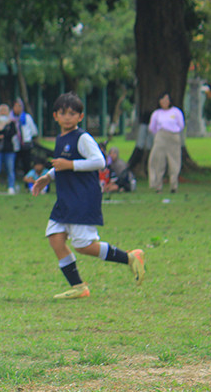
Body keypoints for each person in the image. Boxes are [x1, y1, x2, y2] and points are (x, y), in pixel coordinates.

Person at [30, 92, 146, 300]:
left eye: (72, 113)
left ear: (80, 117)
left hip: (82, 197)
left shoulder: (82, 138)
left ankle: (130, 257)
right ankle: (78, 286)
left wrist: (70, 165)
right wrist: (48, 176)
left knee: (83, 246)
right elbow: (62, 165)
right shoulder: (61, 138)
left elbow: (99, 161)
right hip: (66, 198)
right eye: (63, 113)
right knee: (56, 239)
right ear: (55, 116)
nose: (67, 117)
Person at [147, 92, 185, 193]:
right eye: (162, 100)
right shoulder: (157, 113)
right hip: (161, 137)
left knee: (174, 162)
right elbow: (152, 127)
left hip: (173, 137)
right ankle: (157, 185)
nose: (164, 102)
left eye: (166, 99)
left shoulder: (176, 112)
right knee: (158, 161)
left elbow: (181, 125)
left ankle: (173, 185)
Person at [0, 103, 19, 194]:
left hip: (9, 149)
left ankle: (11, 187)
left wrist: (3, 135)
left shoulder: (11, 123)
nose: (3, 112)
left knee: (10, 169)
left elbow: (12, 134)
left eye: (5, 110)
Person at [13, 98, 38, 173]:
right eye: (16, 106)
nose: (18, 108)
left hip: (25, 143)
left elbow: (33, 130)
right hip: (15, 144)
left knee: (26, 163)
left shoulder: (26, 117)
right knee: (14, 163)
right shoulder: (11, 118)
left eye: (19, 106)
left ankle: (28, 181)